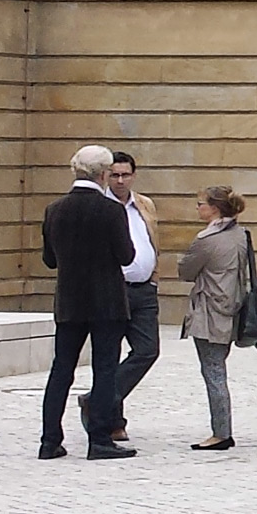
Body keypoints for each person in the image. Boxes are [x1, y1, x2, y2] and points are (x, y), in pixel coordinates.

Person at [38, 146, 136, 460]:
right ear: (104, 174)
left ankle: (49, 439)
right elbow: (126, 256)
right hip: (106, 301)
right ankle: (100, 439)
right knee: (104, 369)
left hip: (69, 301)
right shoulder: (111, 210)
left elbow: (49, 260)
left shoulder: (55, 209)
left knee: (61, 369)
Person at [178, 186, 252, 451]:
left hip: (210, 312)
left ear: (215, 208)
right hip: (233, 308)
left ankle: (221, 432)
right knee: (218, 368)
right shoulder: (240, 234)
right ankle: (222, 430)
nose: (198, 208)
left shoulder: (206, 240)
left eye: (201, 204)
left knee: (214, 372)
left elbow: (185, 271)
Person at [105, 150, 162, 441]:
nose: (120, 180)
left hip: (144, 289)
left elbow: (153, 239)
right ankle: (113, 420)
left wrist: (153, 276)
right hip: (113, 290)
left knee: (147, 350)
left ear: (133, 175)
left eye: (125, 174)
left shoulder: (144, 204)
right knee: (110, 354)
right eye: (114, 174)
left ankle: (96, 400)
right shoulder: (102, 205)